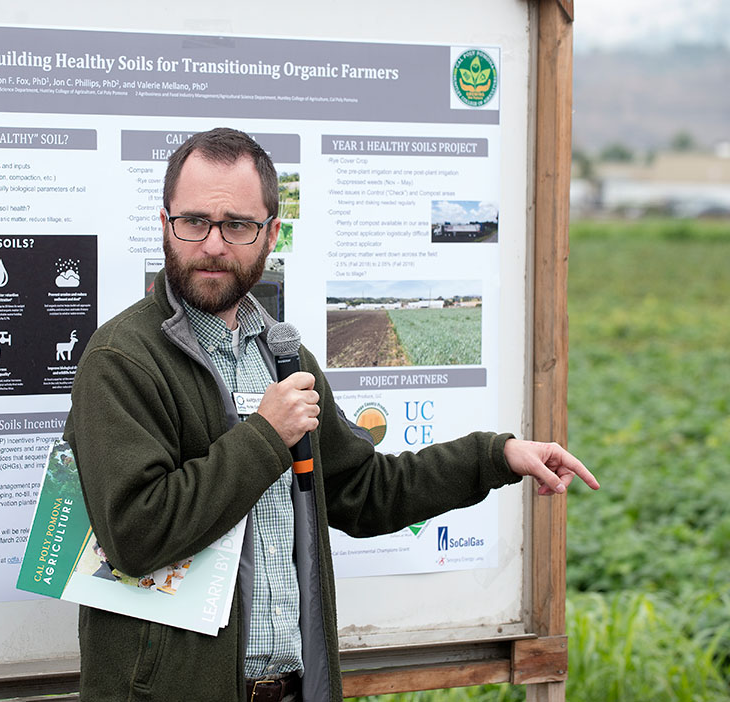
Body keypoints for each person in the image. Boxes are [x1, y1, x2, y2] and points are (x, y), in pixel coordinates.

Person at [63, 127, 599, 702]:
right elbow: (135, 534)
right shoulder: (122, 358)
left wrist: (495, 457)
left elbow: (363, 490)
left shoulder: (283, 355)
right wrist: (267, 436)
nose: (213, 244)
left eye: (237, 225)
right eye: (194, 222)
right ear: (164, 222)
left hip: (294, 688)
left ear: (270, 234)